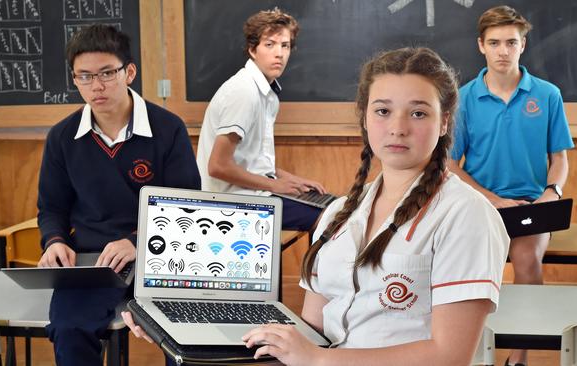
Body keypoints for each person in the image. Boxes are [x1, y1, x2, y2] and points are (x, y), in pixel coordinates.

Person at [125, 47, 510, 365]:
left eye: (418, 112)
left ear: (444, 123)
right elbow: (312, 331)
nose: (397, 127)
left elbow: (449, 355)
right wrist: (181, 334)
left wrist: (318, 360)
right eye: (382, 110)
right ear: (363, 117)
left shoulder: (466, 215)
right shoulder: (340, 213)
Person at [36, 24, 200, 366]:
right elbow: (52, 207)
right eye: (84, 76)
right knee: (69, 328)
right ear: (74, 79)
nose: (96, 86)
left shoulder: (167, 128)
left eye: (107, 73)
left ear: (129, 72)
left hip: (162, 254)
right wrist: (53, 241)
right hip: (93, 261)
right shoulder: (63, 137)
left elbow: (185, 206)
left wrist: (137, 241)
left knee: (186, 330)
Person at [448, 6, 574, 366]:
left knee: (526, 260)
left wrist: (552, 193)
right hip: (477, 205)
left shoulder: (548, 94)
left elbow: (560, 158)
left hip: (531, 206)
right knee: (462, 267)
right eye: (494, 42)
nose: (503, 50)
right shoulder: (464, 98)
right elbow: (450, 165)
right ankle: (465, 352)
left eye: (511, 42)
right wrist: (493, 200)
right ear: (481, 46)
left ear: (523, 45)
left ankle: (518, 358)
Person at [195, 8, 325, 231]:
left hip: (252, 194)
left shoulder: (265, 92)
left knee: (329, 206)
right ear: (252, 50)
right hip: (229, 203)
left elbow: (253, 161)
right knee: (329, 218)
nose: (279, 53)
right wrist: (277, 185)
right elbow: (217, 167)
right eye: (270, 44)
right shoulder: (244, 92)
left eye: (285, 46)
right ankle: (311, 268)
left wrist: (291, 179)